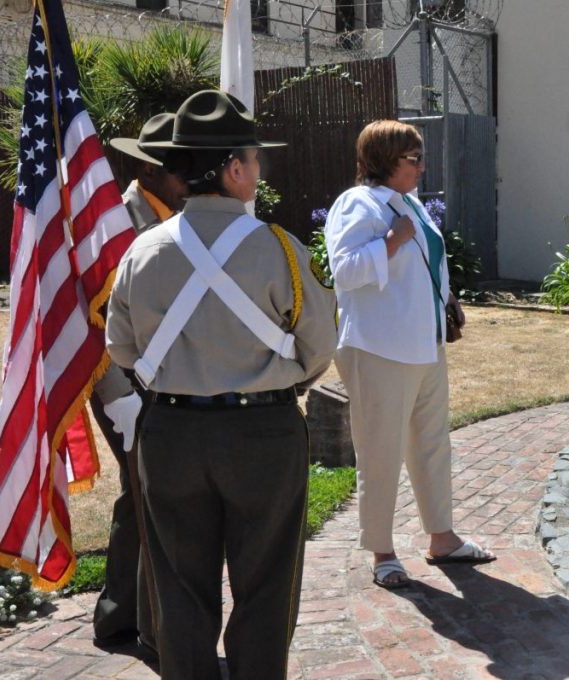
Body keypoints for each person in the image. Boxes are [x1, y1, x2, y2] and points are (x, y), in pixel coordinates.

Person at [105, 89, 338, 680]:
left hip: (171, 433)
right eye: (255, 159)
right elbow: (319, 349)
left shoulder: (141, 252)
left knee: (179, 590)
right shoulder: (280, 249)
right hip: (263, 434)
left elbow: (122, 349)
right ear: (234, 168)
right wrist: (276, 380)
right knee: (266, 585)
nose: (259, 169)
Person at [324, 119, 495, 590]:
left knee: (432, 443)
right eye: (413, 158)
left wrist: (447, 297)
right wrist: (392, 240)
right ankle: (382, 552)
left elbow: (425, 262)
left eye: (421, 157)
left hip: (424, 344)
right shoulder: (357, 203)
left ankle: (442, 538)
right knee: (381, 451)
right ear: (384, 160)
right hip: (379, 348)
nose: (421, 167)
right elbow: (344, 272)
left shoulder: (410, 203)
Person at [91, 112, 187, 657]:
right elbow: (96, 317)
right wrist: (117, 396)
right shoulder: (118, 223)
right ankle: (137, 621)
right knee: (144, 493)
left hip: (164, 379)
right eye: (178, 167)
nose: (188, 176)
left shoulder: (178, 215)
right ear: (149, 170)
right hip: (124, 383)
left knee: (149, 493)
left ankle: (126, 615)